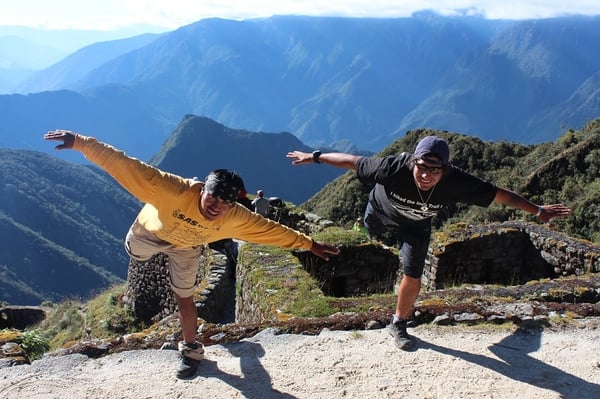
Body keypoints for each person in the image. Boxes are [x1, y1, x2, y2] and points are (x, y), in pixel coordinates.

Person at [44, 129, 340, 378]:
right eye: (213, 196)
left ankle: (190, 351)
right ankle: (144, 249)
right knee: (135, 251)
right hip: (150, 233)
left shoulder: (236, 218)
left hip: (187, 247)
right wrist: (81, 142)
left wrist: (309, 244)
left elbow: (271, 230)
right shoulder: (170, 189)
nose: (217, 206)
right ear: (202, 189)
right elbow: (123, 164)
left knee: (184, 298)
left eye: (226, 202)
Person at [287, 136, 571, 350]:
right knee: (370, 230)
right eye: (422, 168)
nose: (426, 176)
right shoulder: (391, 168)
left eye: (434, 171)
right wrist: (314, 156)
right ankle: (370, 232)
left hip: (416, 227)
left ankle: (398, 323)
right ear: (413, 161)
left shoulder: (457, 182)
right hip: (379, 211)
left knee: (413, 275)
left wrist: (537, 210)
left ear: (445, 169)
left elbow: (501, 195)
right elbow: (351, 161)